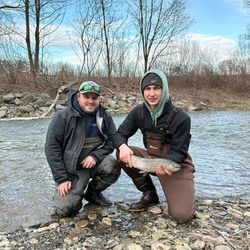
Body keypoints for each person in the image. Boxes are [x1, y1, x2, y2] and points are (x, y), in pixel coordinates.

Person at [114, 69, 195, 224]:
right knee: (121, 155)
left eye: (156, 88)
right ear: (142, 91)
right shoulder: (138, 112)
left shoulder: (181, 117)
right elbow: (118, 135)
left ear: (164, 89)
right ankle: (150, 194)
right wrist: (122, 146)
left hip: (175, 165)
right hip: (150, 160)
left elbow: (179, 152)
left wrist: (166, 164)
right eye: (147, 89)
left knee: (181, 216)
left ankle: (184, 189)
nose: (152, 93)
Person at [45, 81, 121, 217]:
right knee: (65, 211)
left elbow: (112, 140)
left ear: (99, 99)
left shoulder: (105, 117)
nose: (91, 101)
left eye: (94, 97)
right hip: (72, 171)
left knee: (113, 165)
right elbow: (52, 148)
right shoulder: (62, 117)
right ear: (78, 96)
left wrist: (96, 155)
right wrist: (61, 178)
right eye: (87, 97)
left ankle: (92, 193)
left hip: (93, 164)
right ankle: (75, 196)